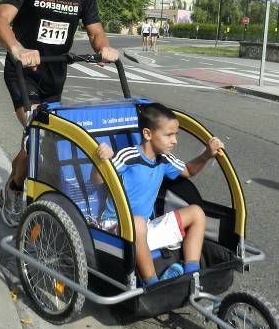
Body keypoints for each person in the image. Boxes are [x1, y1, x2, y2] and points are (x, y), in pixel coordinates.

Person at [0, 0, 119, 224]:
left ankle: (15, 187)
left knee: (42, 139)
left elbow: (95, 31)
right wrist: (18, 49)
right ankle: (25, 198)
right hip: (24, 74)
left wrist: (103, 47)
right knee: (40, 137)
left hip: (54, 76)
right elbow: (0, 21)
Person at [96, 103, 224, 286]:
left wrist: (206, 155)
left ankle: (191, 277)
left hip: (145, 227)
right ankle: (154, 285)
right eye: (169, 135)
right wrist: (103, 160)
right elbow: (97, 180)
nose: (175, 141)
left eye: (176, 135)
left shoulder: (164, 159)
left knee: (197, 213)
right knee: (138, 223)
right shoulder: (127, 156)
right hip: (115, 227)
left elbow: (188, 170)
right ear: (147, 134)